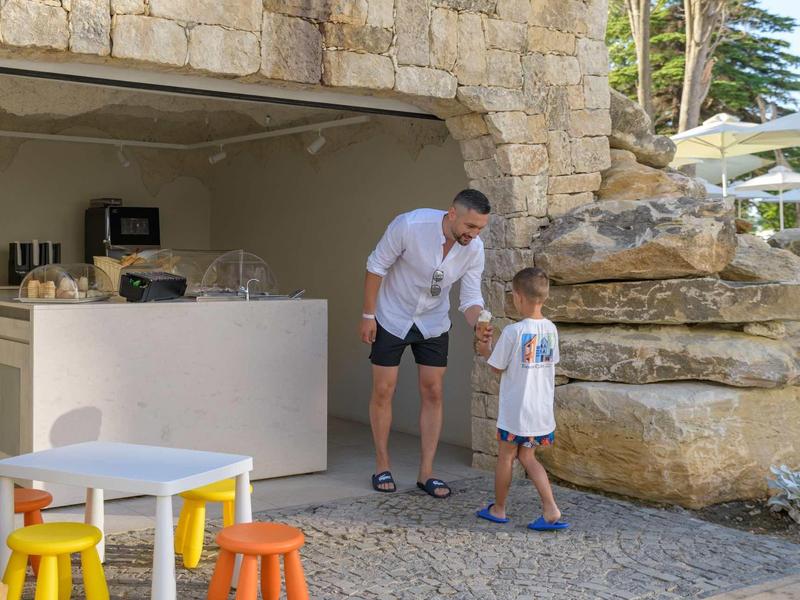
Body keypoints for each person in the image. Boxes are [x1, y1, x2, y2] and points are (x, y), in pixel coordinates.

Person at [360, 189, 492, 498]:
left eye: (480, 228)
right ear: (452, 214)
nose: (474, 234)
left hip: (433, 322)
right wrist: (368, 315)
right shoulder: (410, 225)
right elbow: (376, 266)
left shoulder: (474, 249)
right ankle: (382, 465)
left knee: (433, 390)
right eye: (470, 226)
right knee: (384, 389)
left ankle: (426, 473)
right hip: (391, 315)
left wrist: (478, 324)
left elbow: (470, 299)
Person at [475, 267, 569, 531]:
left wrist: (484, 348)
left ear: (517, 297)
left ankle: (499, 508)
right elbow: (550, 361)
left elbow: (496, 367)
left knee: (506, 457)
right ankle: (550, 508)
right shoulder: (551, 329)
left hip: (516, 411)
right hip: (540, 410)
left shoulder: (513, 331)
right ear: (544, 297)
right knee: (528, 457)